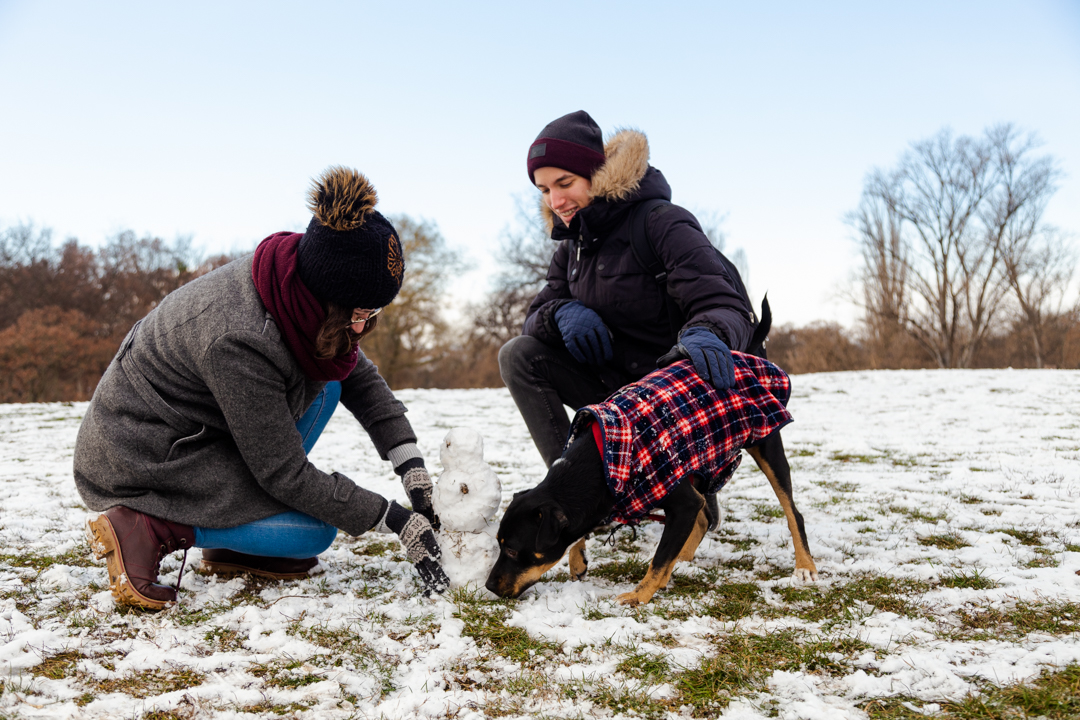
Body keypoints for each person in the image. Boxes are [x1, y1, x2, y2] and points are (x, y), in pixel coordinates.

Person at [75, 166, 449, 610]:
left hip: (200, 433)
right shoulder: (239, 338)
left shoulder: (296, 285)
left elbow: (358, 376)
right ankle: (149, 524)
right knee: (314, 532)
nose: (365, 325)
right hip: (145, 457)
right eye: (361, 312)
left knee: (329, 383)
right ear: (330, 296)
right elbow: (283, 474)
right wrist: (393, 519)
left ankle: (235, 544)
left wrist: (412, 467)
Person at [499, 111, 757, 527]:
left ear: (597, 173)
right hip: (614, 389)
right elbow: (533, 319)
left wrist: (706, 332)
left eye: (565, 183)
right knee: (519, 354)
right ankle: (575, 491)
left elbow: (721, 300)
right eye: (545, 189)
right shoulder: (572, 249)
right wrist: (561, 312)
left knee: (687, 495)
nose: (555, 201)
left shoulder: (661, 222)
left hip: (670, 393)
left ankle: (691, 487)